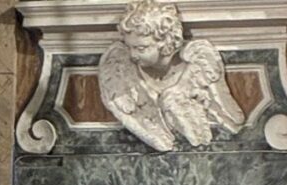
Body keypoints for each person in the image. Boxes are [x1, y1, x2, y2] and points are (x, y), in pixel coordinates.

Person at [98, 0, 244, 151]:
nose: (132, 55)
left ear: (165, 43)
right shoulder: (121, 64)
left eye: (141, 48)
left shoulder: (196, 60)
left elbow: (233, 120)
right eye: (129, 47)